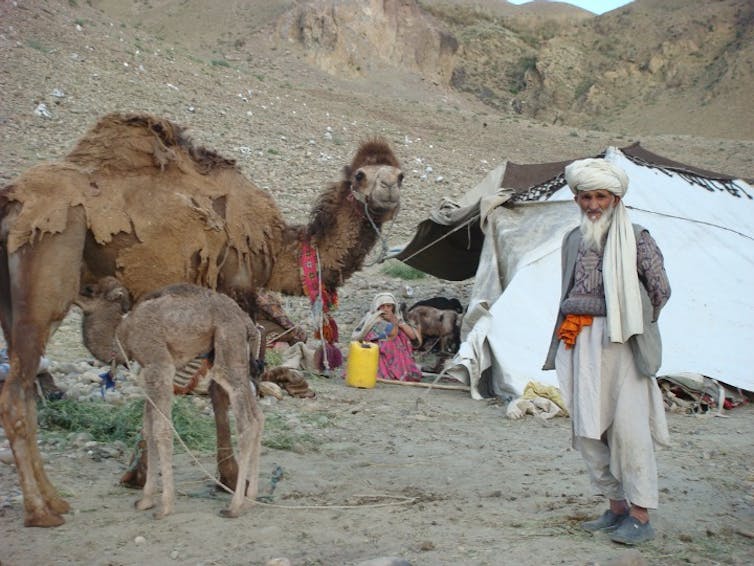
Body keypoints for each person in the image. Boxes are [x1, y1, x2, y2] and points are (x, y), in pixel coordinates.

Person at [542, 158, 671, 546]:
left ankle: (641, 514)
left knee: (629, 429)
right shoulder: (572, 239)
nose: (592, 205)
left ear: (615, 199)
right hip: (577, 341)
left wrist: (629, 317)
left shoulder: (638, 237)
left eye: (600, 196)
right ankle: (616, 507)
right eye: (585, 197)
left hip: (622, 343)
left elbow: (660, 289)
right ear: (576, 197)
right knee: (586, 429)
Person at [351, 292, 422, 382]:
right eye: (382, 306)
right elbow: (392, 334)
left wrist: (397, 322)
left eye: (389, 306)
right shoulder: (373, 319)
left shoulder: (396, 317)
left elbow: (412, 336)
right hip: (376, 347)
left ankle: (402, 369)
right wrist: (394, 322)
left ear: (393, 307)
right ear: (377, 307)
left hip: (396, 348)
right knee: (388, 345)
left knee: (402, 336)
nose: (386, 309)